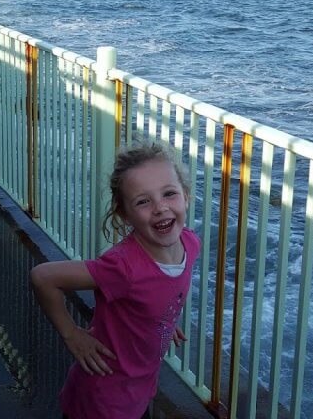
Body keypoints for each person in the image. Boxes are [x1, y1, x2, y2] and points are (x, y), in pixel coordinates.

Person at [30, 142, 201, 419]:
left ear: (186, 196)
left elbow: (164, 289)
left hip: (140, 384)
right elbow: (43, 277)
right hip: (105, 396)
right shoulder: (122, 267)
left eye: (169, 194)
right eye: (143, 201)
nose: (160, 208)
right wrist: (71, 334)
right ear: (124, 214)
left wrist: (165, 321)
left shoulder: (190, 243)